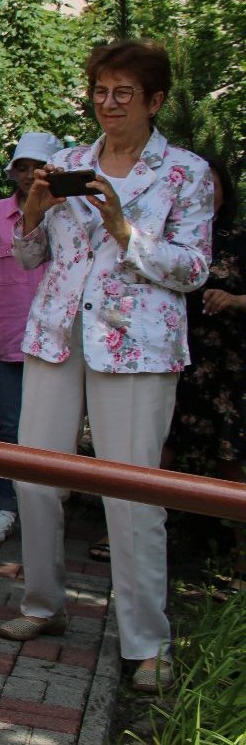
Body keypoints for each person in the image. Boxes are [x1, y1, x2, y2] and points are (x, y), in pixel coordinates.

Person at [0, 40, 214, 696]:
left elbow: (193, 269)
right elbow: (32, 257)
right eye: (100, 90)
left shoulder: (185, 173)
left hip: (137, 344)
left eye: (124, 93)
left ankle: (147, 642)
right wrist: (33, 214)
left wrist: (125, 230)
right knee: (35, 477)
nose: (109, 104)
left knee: (132, 492)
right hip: (58, 335)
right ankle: (43, 602)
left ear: (154, 101)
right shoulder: (64, 163)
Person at [0, 131, 61, 543]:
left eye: (37, 167)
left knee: (55, 432)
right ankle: (7, 505)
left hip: (58, 340)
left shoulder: (67, 213)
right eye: (22, 167)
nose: (28, 175)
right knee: (10, 427)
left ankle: (48, 511)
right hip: (8, 337)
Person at [165, 162, 244, 579]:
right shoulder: (168, 236)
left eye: (209, 185)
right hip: (177, 356)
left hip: (227, 368)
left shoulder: (239, 240)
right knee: (159, 447)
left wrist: (235, 301)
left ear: (224, 193)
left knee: (231, 458)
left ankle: (240, 557)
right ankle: (135, 533)